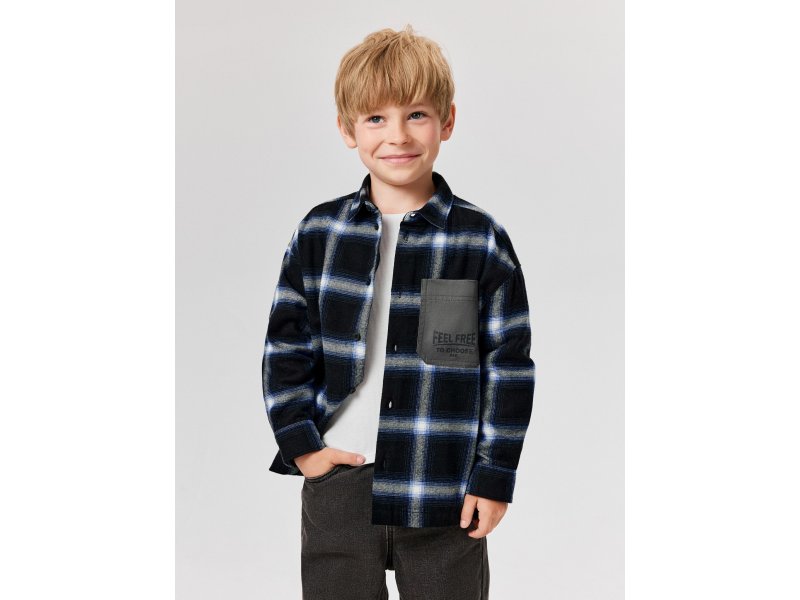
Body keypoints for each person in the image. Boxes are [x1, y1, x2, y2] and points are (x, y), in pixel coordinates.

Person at [262, 24, 536, 600]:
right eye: (375, 118)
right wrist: (302, 445)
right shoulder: (320, 233)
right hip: (341, 482)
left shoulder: (480, 240)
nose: (398, 135)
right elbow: (286, 347)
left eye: (416, 114)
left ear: (447, 121)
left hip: (445, 485)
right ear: (347, 129)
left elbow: (508, 367)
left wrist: (494, 475)